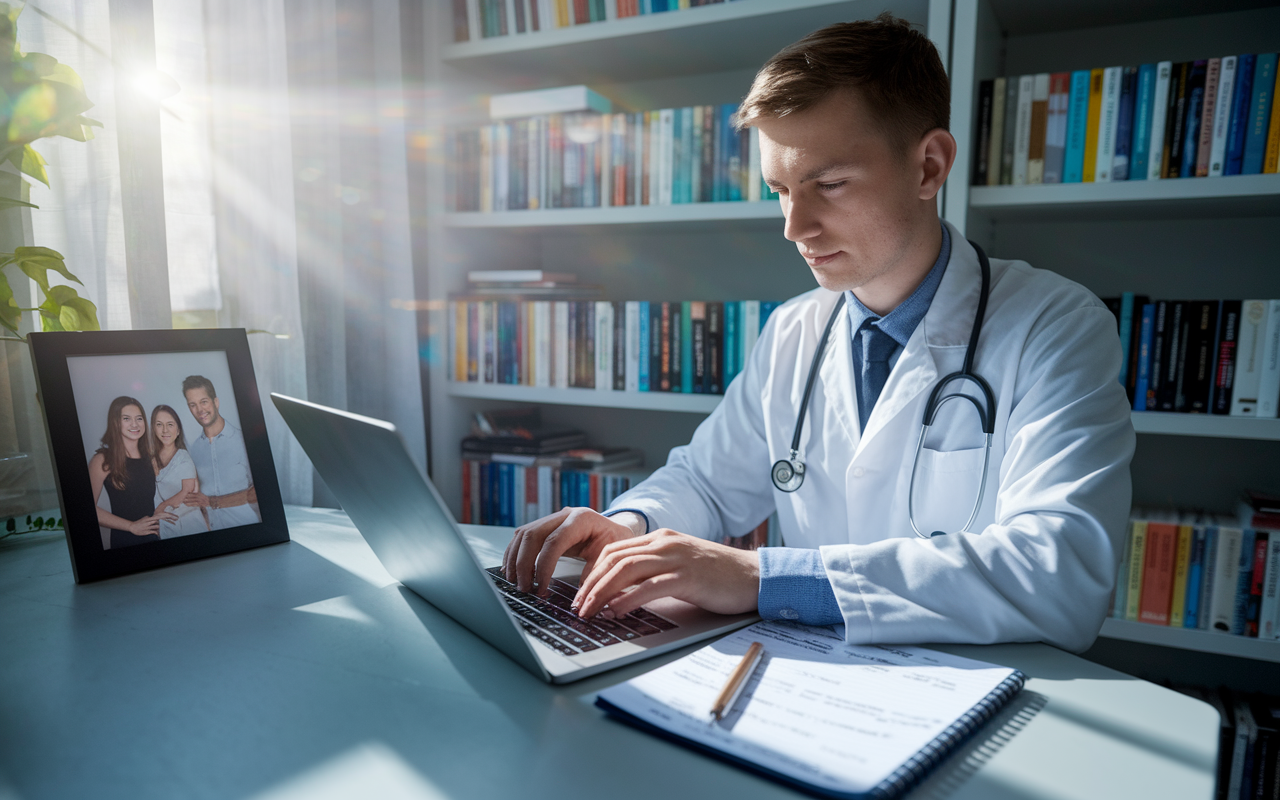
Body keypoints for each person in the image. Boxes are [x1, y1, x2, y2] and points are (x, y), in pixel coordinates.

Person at [502, 15, 1135, 653]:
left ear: (928, 166)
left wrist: (764, 578)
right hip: (814, 677)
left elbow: (1061, 573)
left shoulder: (1056, 327)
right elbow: (707, 481)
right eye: (780, 189)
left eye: (828, 185)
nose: (794, 227)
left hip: (973, 683)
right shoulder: (794, 329)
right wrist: (628, 527)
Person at [88, 396, 176, 550]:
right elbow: (86, 509)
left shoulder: (151, 457)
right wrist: (131, 526)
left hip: (156, 537)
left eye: (139, 418)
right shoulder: (103, 460)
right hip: (126, 541)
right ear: (116, 422)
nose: (135, 424)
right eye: (127, 418)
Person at [182, 375, 260, 530]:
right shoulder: (194, 450)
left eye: (204, 402)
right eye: (193, 405)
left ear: (215, 402)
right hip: (214, 536)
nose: (200, 410)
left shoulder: (244, 441)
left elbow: (257, 492)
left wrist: (212, 502)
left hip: (248, 531)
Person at [150, 404, 210, 539]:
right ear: (153, 429)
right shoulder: (151, 459)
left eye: (170, 424)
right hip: (167, 528)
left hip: (190, 525)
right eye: (159, 424)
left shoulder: (183, 456)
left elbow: (186, 492)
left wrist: (160, 509)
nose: (165, 430)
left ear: (178, 430)